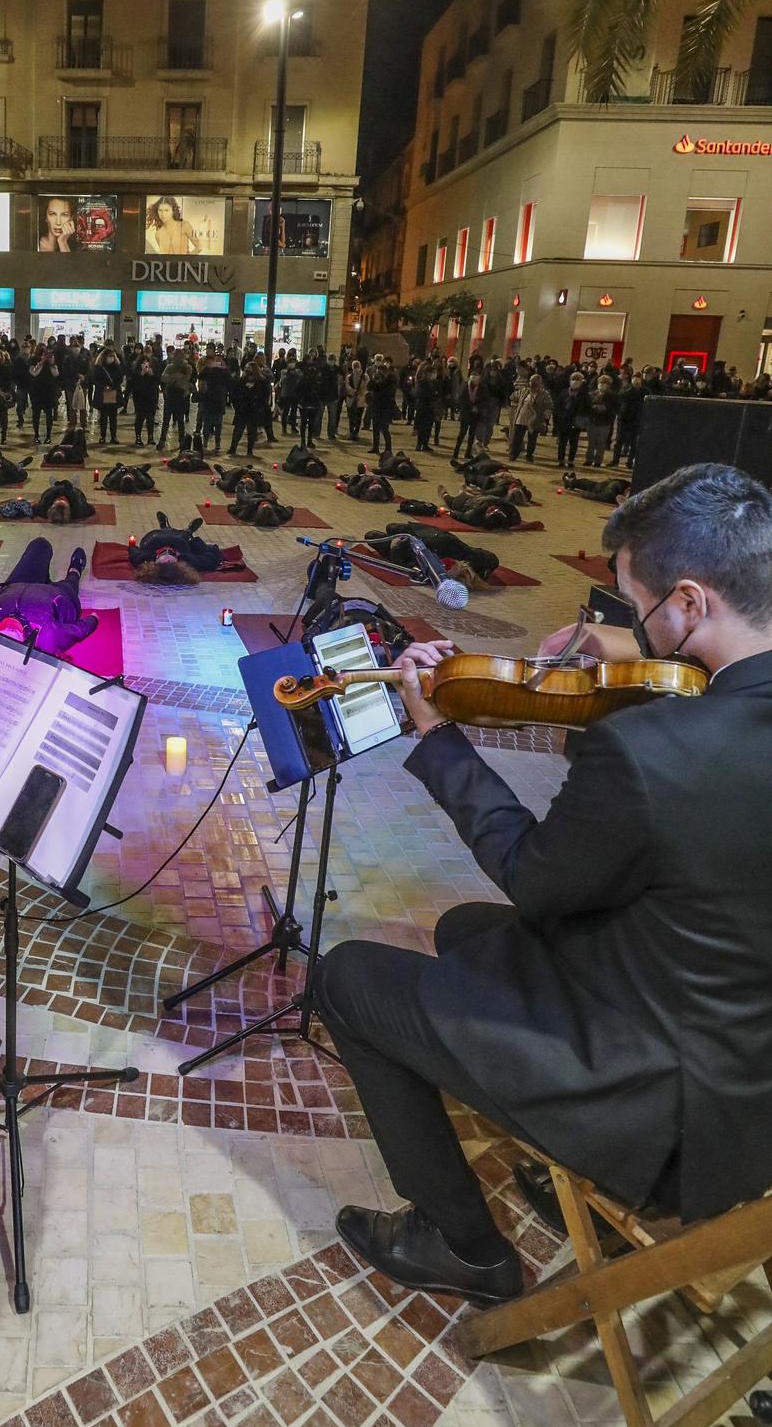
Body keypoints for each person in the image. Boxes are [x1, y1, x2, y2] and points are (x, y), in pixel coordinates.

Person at [313, 463, 772, 1306]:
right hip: (747, 1057)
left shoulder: (650, 752)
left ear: (691, 602)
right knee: (462, 933)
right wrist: (628, 658)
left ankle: (460, 1244)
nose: (629, 623)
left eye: (637, 605)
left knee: (347, 977)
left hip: (670, 1120)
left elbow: (535, 876)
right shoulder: (703, 712)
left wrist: (439, 739)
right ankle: (537, 1158)